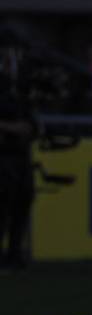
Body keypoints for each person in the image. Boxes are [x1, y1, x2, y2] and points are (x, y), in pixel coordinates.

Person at [0, 45, 36, 269]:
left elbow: (31, 125)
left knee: (22, 202)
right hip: (4, 156)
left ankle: (15, 252)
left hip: (20, 155)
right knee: (3, 205)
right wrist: (15, 128)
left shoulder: (20, 90)